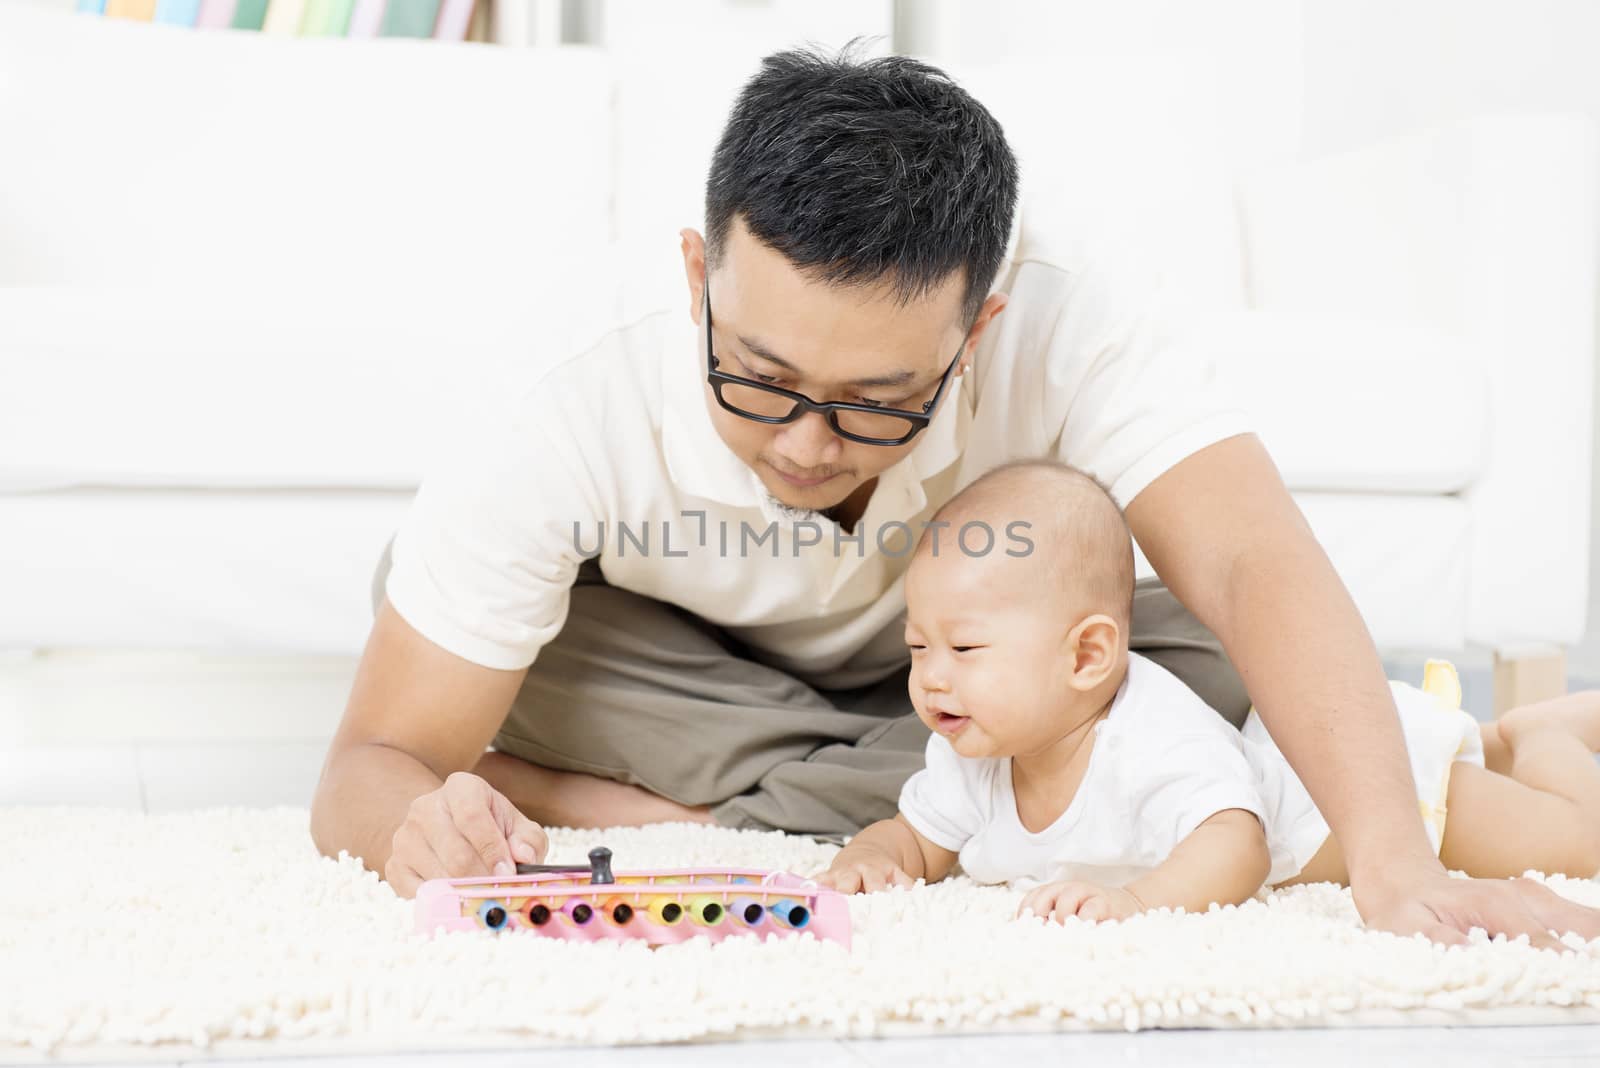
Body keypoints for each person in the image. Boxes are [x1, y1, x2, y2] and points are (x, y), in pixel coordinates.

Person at [309, 44, 1600, 946]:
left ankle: (713, 804)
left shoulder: (1067, 313)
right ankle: (790, 788)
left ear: (976, 328)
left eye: (877, 400)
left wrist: (1391, 858)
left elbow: (1255, 562)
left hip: (965, 671)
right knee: (475, 630)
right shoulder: (562, 387)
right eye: (759, 381)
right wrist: (419, 820)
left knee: (1180, 675)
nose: (810, 445)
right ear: (699, 274)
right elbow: (371, 764)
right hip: (682, 674)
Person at [816, 461, 1600, 939]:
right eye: (919, 649)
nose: (932, 678)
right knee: (1486, 754)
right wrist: (873, 857)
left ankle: (1540, 738)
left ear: (1087, 655)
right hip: (1318, 766)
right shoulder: (974, 750)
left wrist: (1137, 903)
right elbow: (916, 837)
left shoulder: (1147, 732)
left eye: (965, 650)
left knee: (1579, 841)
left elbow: (1237, 846)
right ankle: (1496, 737)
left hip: (1366, 801)